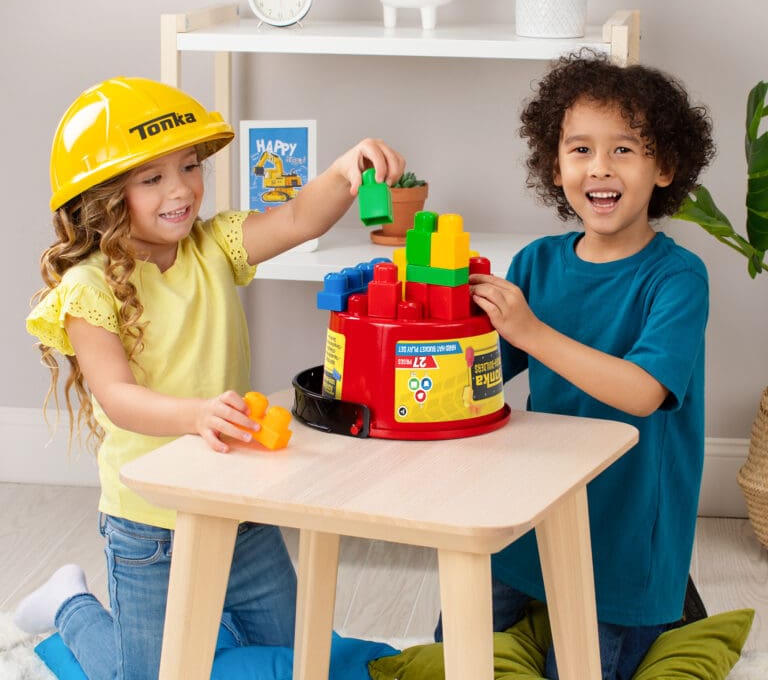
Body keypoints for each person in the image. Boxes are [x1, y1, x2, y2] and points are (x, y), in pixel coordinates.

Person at [14, 77, 405, 680]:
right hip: (149, 525)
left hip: (238, 508)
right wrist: (195, 416)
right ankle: (71, 605)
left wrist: (346, 169)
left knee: (303, 657)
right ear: (104, 198)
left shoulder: (214, 245)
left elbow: (301, 218)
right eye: (152, 178)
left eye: (190, 166)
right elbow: (116, 397)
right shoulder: (87, 288)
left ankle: (203, 623)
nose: (181, 190)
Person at [466, 52, 715, 679]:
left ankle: (671, 606)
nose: (599, 167)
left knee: (580, 667)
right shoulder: (538, 262)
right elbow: (482, 376)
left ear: (666, 167)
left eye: (624, 150)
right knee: (456, 641)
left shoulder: (677, 277)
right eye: (579, 149)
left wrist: (530, 329)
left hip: (626, 537)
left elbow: (641, 392)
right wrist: (439, 318)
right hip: (538, 514)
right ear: (555, 165)